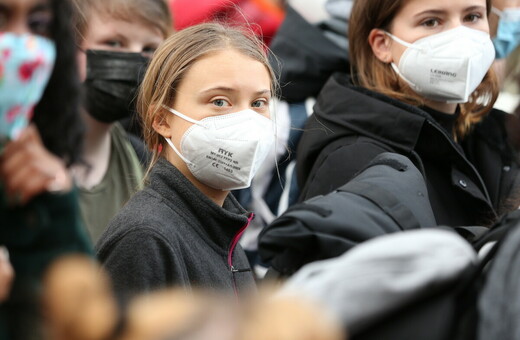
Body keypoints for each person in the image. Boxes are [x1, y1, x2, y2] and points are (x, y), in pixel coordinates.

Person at [297, 0, 520, 228]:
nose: (460, 36)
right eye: (431, 21)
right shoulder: (354, 159)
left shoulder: (492, 133)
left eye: (472, 17)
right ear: (382, 44)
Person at [96, 22, 277, 300]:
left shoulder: (223, 224)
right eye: (219, 102)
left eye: (258, 103)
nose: (247, 121)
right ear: (162, 119)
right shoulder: (146, 238)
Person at [0, 0, 93, 338]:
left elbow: (82, 317)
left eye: (38, 24)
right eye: (1, 17)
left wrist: (56, 202)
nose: (19, 45)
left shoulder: (40, 168)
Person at [70, 0, 172, 242]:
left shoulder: (143, 162)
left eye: (149, 49)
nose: (135, 60)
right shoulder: (23, 155)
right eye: (113, 43)